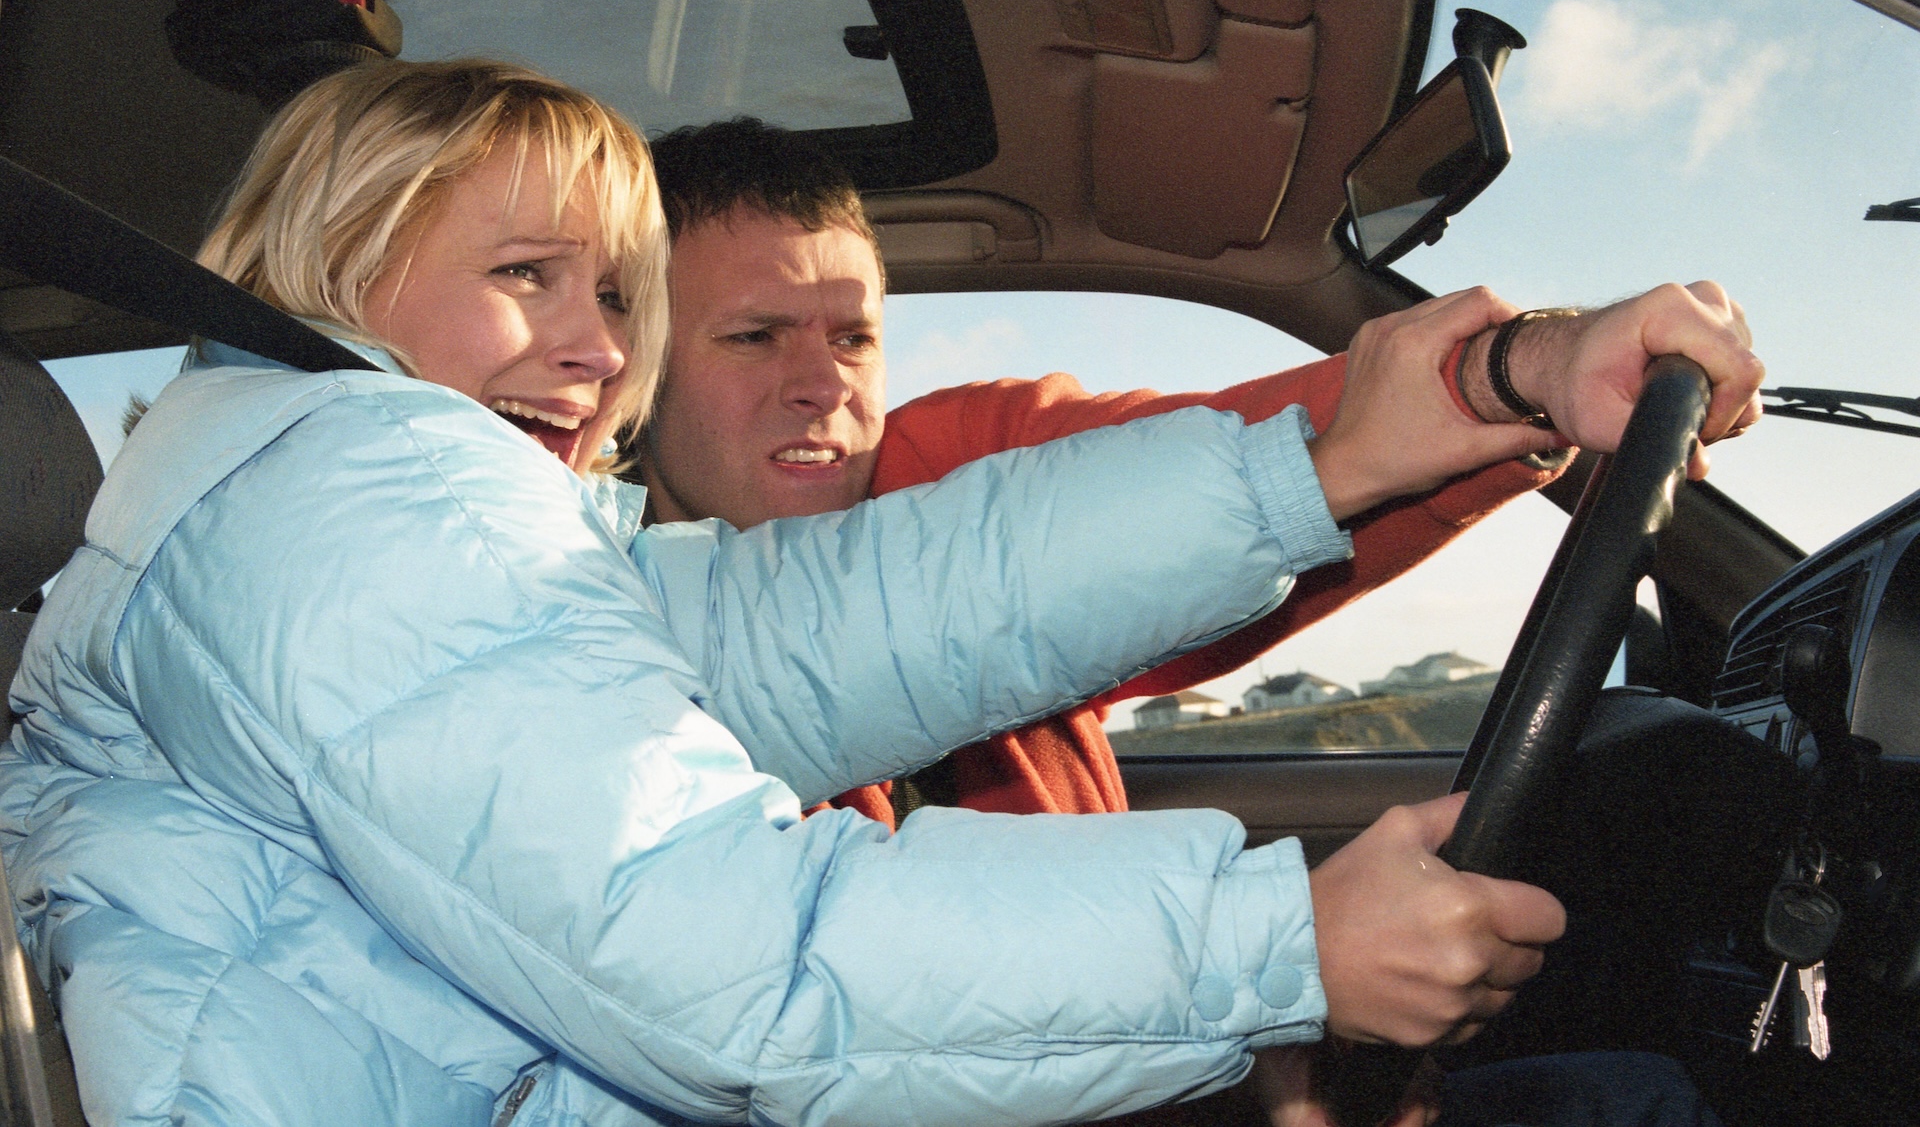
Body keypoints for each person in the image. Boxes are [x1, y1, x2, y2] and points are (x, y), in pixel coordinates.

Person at [0, 60, 1755, 1127]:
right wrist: (1270, 943)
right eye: (526, 276)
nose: (599, 346)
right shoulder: (358, 492)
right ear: (333, 265)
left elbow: (855, 609)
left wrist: (1362, 442)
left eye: (615, 292)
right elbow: (721, 948)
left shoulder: (376, 521)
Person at [633, 121, 1759, 1127]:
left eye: (853, 339)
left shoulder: (949, 482)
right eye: (753, 338)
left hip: (1168, 1075)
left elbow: (1252, 459)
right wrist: (1278, 969)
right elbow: (826, 994)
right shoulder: (603, 676)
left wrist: (1524, 370)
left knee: (1639, 1090)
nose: (824, 385)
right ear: (635, 368)